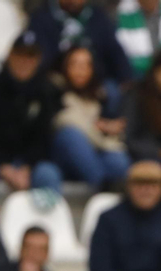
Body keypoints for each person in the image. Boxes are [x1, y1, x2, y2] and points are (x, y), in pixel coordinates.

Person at [0, 33, 64, 211]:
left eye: (30, 56)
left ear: (38, 59)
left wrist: (27, 167)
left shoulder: (47, 91)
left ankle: (46, 224)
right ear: (10, 55)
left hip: (29, 164)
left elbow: (45, 137)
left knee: (49, 173)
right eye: (20, 55)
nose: (24, 61)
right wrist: (3, 166)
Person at [51, 45, 131, 190]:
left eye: (86, 65)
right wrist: (97, 127)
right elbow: (63, 120)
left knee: (118, 161)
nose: (80, 70)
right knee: (71, 135)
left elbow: (115, 130)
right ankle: (101, 186)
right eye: (75, 64)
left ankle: (110, 187)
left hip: (94, 152)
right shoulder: (54, 90)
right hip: (63, 158)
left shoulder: (101, 95)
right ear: (65, 67)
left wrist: (106, 129)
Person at [27, 0, 130, 84]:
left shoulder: (98, 16)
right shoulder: (42, 17)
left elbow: (115, 51)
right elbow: (38, 55)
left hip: (95, 82)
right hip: (56, 79)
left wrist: (126, 79)